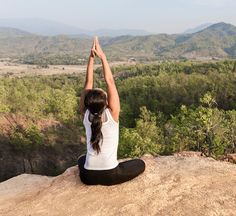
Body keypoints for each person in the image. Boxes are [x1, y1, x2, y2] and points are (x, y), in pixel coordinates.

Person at [78, 36, 145, 186]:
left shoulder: (85, 114)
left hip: (88, 177)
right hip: (110, 175)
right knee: (140, 163)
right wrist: (103, 57)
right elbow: (110, 81)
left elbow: (88, 83)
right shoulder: (112, 113)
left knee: (82, 159)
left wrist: (91, 58)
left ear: (87, 103)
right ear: (106, 102)